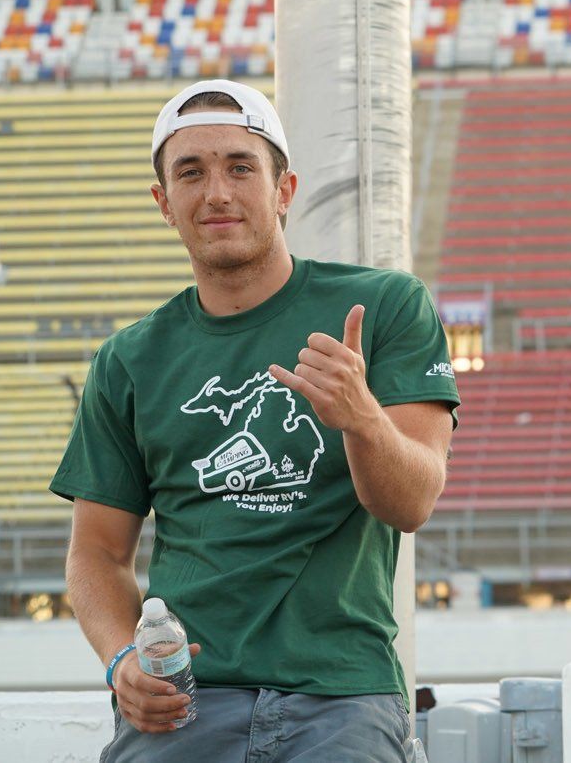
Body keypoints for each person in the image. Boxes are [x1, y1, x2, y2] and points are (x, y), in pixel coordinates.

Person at [50, 79, 460, 763]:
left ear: (284, 190)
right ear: (164, 203)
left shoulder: (384, 306)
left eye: (241, 167)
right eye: (191, 173)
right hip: (183, 702)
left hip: (342, 694)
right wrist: (122, 658)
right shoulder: (130, 359)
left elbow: (411, 502)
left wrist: (361, 420)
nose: (217, 192)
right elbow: (96, 553)